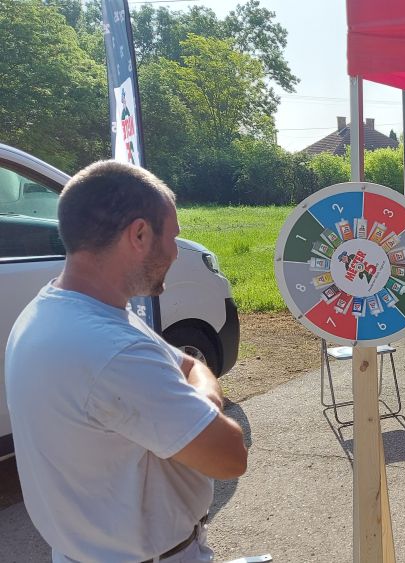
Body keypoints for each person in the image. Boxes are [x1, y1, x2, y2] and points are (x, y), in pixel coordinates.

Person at [4, 161, 248, 562]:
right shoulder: (112, 351)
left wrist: (195, 399)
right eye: (172, 236)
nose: (175, 252)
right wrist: (205, 404)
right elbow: (229, 456)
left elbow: (189, 365)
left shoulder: (59, 310)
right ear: (139, 234)